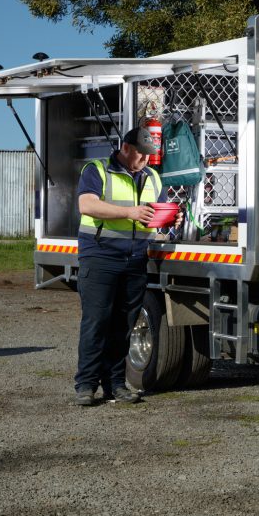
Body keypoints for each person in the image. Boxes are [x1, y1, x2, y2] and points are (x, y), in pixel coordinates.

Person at [73, 127, 182, 406]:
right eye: (141, 153)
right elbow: (86, 205)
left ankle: (115, 384)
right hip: (100, 256)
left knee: (124, 325)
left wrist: (169, 221)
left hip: (135, 259)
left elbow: (153, 218)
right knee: (96, 322)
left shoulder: (152, 178)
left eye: (150, 154)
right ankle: (86, 385)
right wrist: (129, 212)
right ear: (125, 148)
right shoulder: (97, 170)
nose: (146, 159)